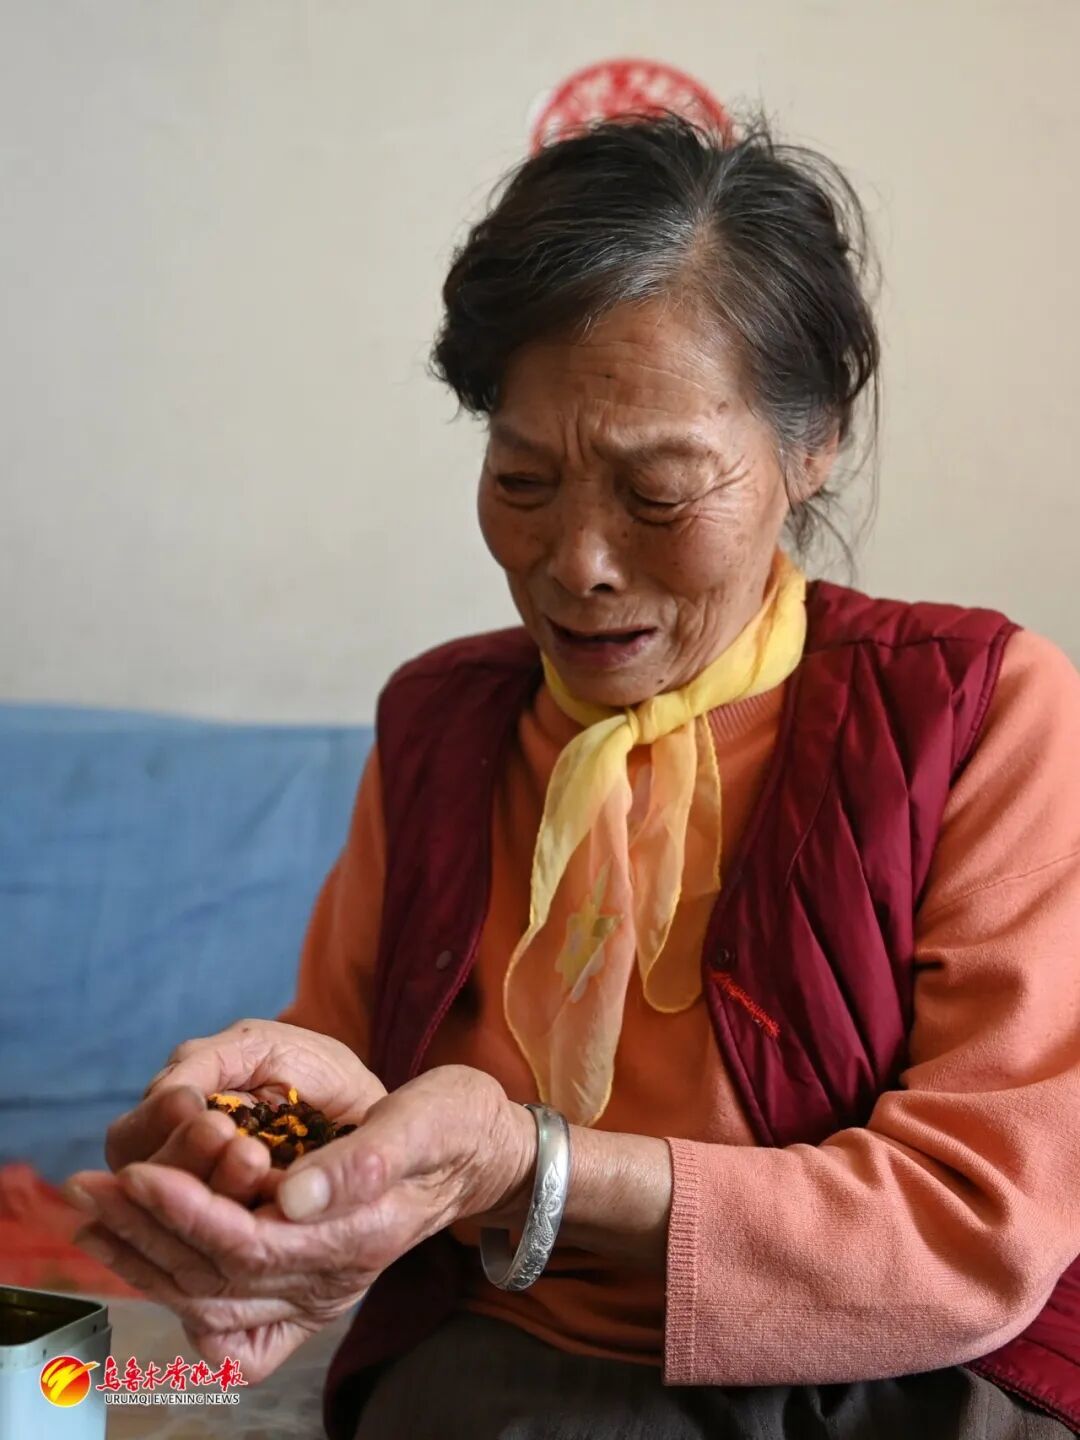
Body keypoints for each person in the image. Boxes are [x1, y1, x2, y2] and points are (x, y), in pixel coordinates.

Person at [65, 115, 1080, 1439]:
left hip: (900, 1382)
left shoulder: (978, 710)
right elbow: (351, 1087)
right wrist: (263, 1181)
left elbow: (978, 1224)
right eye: (524, 479)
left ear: (815, 440)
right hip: (506, 1361)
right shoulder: (441, 722)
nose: (579, 562)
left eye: (660, 491)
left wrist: (532, 1167)